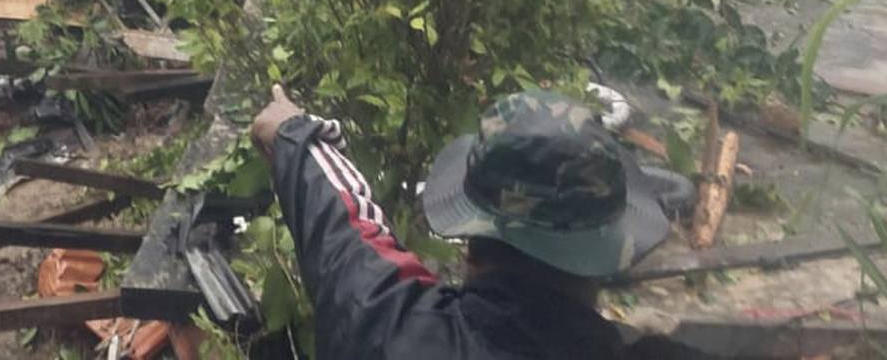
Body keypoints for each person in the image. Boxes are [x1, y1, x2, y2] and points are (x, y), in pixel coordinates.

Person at [252, 83, 705, 358]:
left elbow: (345, 233)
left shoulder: (391, 330)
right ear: (610, 253)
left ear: (473, 239)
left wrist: (296, 136)